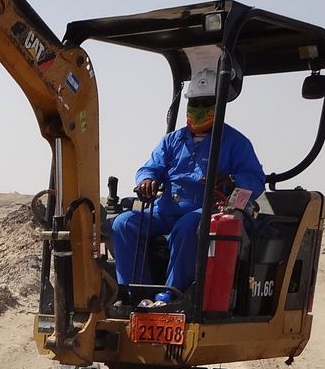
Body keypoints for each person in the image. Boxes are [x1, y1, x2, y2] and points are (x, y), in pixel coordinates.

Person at [110, 67, 266, 303]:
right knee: (124, 223)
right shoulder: (172, 140)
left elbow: (255, 179)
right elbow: (151, 167)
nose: (199, 109)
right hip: (166, 210)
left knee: (187, 226)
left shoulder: (235, 142)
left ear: (218, 105)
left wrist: (232, 181)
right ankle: (135, 292)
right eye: (195, 102)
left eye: (206, 103)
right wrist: (147, 180)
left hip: (206, 210)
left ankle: (171, 295)